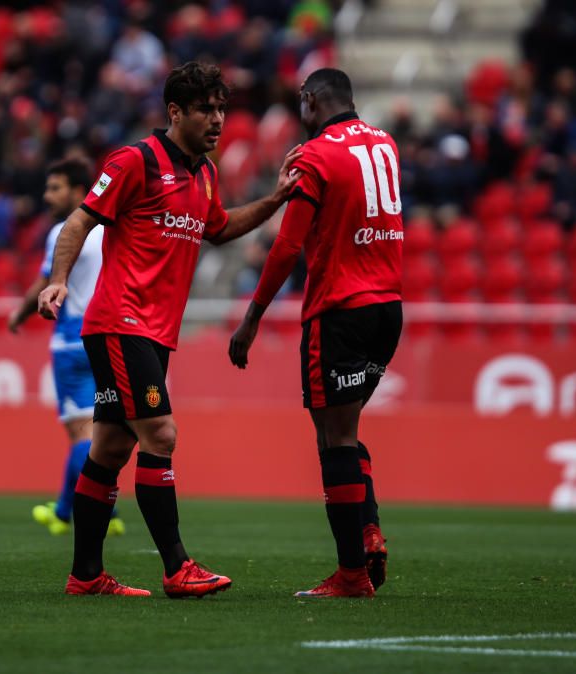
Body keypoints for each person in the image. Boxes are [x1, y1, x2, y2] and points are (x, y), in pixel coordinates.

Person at [37, 62, 301, 598]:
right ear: (175, 112)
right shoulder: (135, 161)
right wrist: (58, 280)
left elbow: (219, 229)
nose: (218, 120)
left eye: (222, 109)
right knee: (162, 434)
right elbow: (80, 220)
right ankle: (178, 567)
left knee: (109, 449)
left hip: (155, 332)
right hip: (120, 321)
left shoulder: (203, 174)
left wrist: (275, 201)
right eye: (206, 109)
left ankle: (85, 576)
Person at [228, 68, 403, 598]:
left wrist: (252, 317)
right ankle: (367, 531)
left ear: (309, 101)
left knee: (334, 438)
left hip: (339, 310)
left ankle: (351, 574)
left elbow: (286, 247)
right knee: (344, 431)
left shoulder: (314, 156)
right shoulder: (386, 144)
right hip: (388, 309)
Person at [8, 158, 126, 538]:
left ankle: (86, 511)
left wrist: (18, 315)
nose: (47, 196)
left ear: (79, 191)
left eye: (55, 187)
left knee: (84, 437)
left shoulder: (65, 230)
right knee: (104, 432)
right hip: (110, 336)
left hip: (73, 341)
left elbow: (45, 283)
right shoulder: (112, 229)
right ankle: (82, 513)